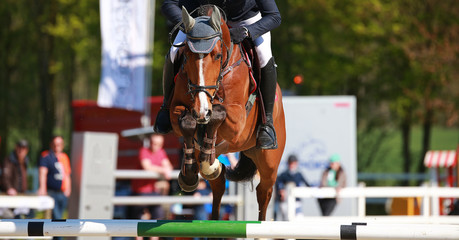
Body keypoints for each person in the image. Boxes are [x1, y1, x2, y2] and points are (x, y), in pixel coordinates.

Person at [155, 0, 282, 150]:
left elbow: (274, 16)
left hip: (244, 21)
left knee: (263, 55)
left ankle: (266, 123)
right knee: (174, 52)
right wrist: (187, 25)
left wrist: (248, 31)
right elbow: (168, 4)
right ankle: (166, 107)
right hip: (201, 22)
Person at [130, 134, 173, 240]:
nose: (156, 146)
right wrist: (164, 170)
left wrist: (165, 170)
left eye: (159, 144)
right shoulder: (144, 151)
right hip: (140, 191)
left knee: (156, 222)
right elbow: (147, 167)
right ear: (150, 142)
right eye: (154, 143)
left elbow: (169, 166)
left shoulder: (161, 152)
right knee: (138, 223)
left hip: (153, 191)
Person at [38, 136, 72, 230]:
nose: (57, 147)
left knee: (60, 218)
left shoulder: (64, 157)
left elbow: (67, 174)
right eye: (55, 144)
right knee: (56, 220)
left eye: (59, 145)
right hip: (51, 192)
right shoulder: (46, 156)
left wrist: (68, 189)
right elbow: (42, 173)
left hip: (62, 193)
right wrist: (42, 188)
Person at [1, 139, 31, 218]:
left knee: (30, 214)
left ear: (26, 150)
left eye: (24, 148)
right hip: (9, 196)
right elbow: (5, 176)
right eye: (20, 147)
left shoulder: (25, 161)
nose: (21, 150)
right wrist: (9, 188)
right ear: (16, 148)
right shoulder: (9, 160)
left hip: (20, 195)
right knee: (11, 218)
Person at [275, 154, 310, 220]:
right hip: (285, 202)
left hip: (297, 201)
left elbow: (307, 184)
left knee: (299, 218)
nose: (291, 165)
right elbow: (278, 183)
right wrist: (281, 190)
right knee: (286, 219)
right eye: (290, 163)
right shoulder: (283, 175)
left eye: (293, 163)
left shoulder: (299, 175)